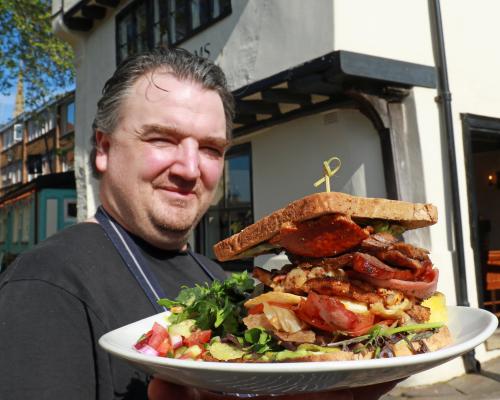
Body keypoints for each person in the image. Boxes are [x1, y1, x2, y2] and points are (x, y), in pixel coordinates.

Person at [0, 48, 398, 400]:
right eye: (162, 139)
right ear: (103, 149)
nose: (190, 169)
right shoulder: (45, 286)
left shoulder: (217, 278)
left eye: (210, 148)